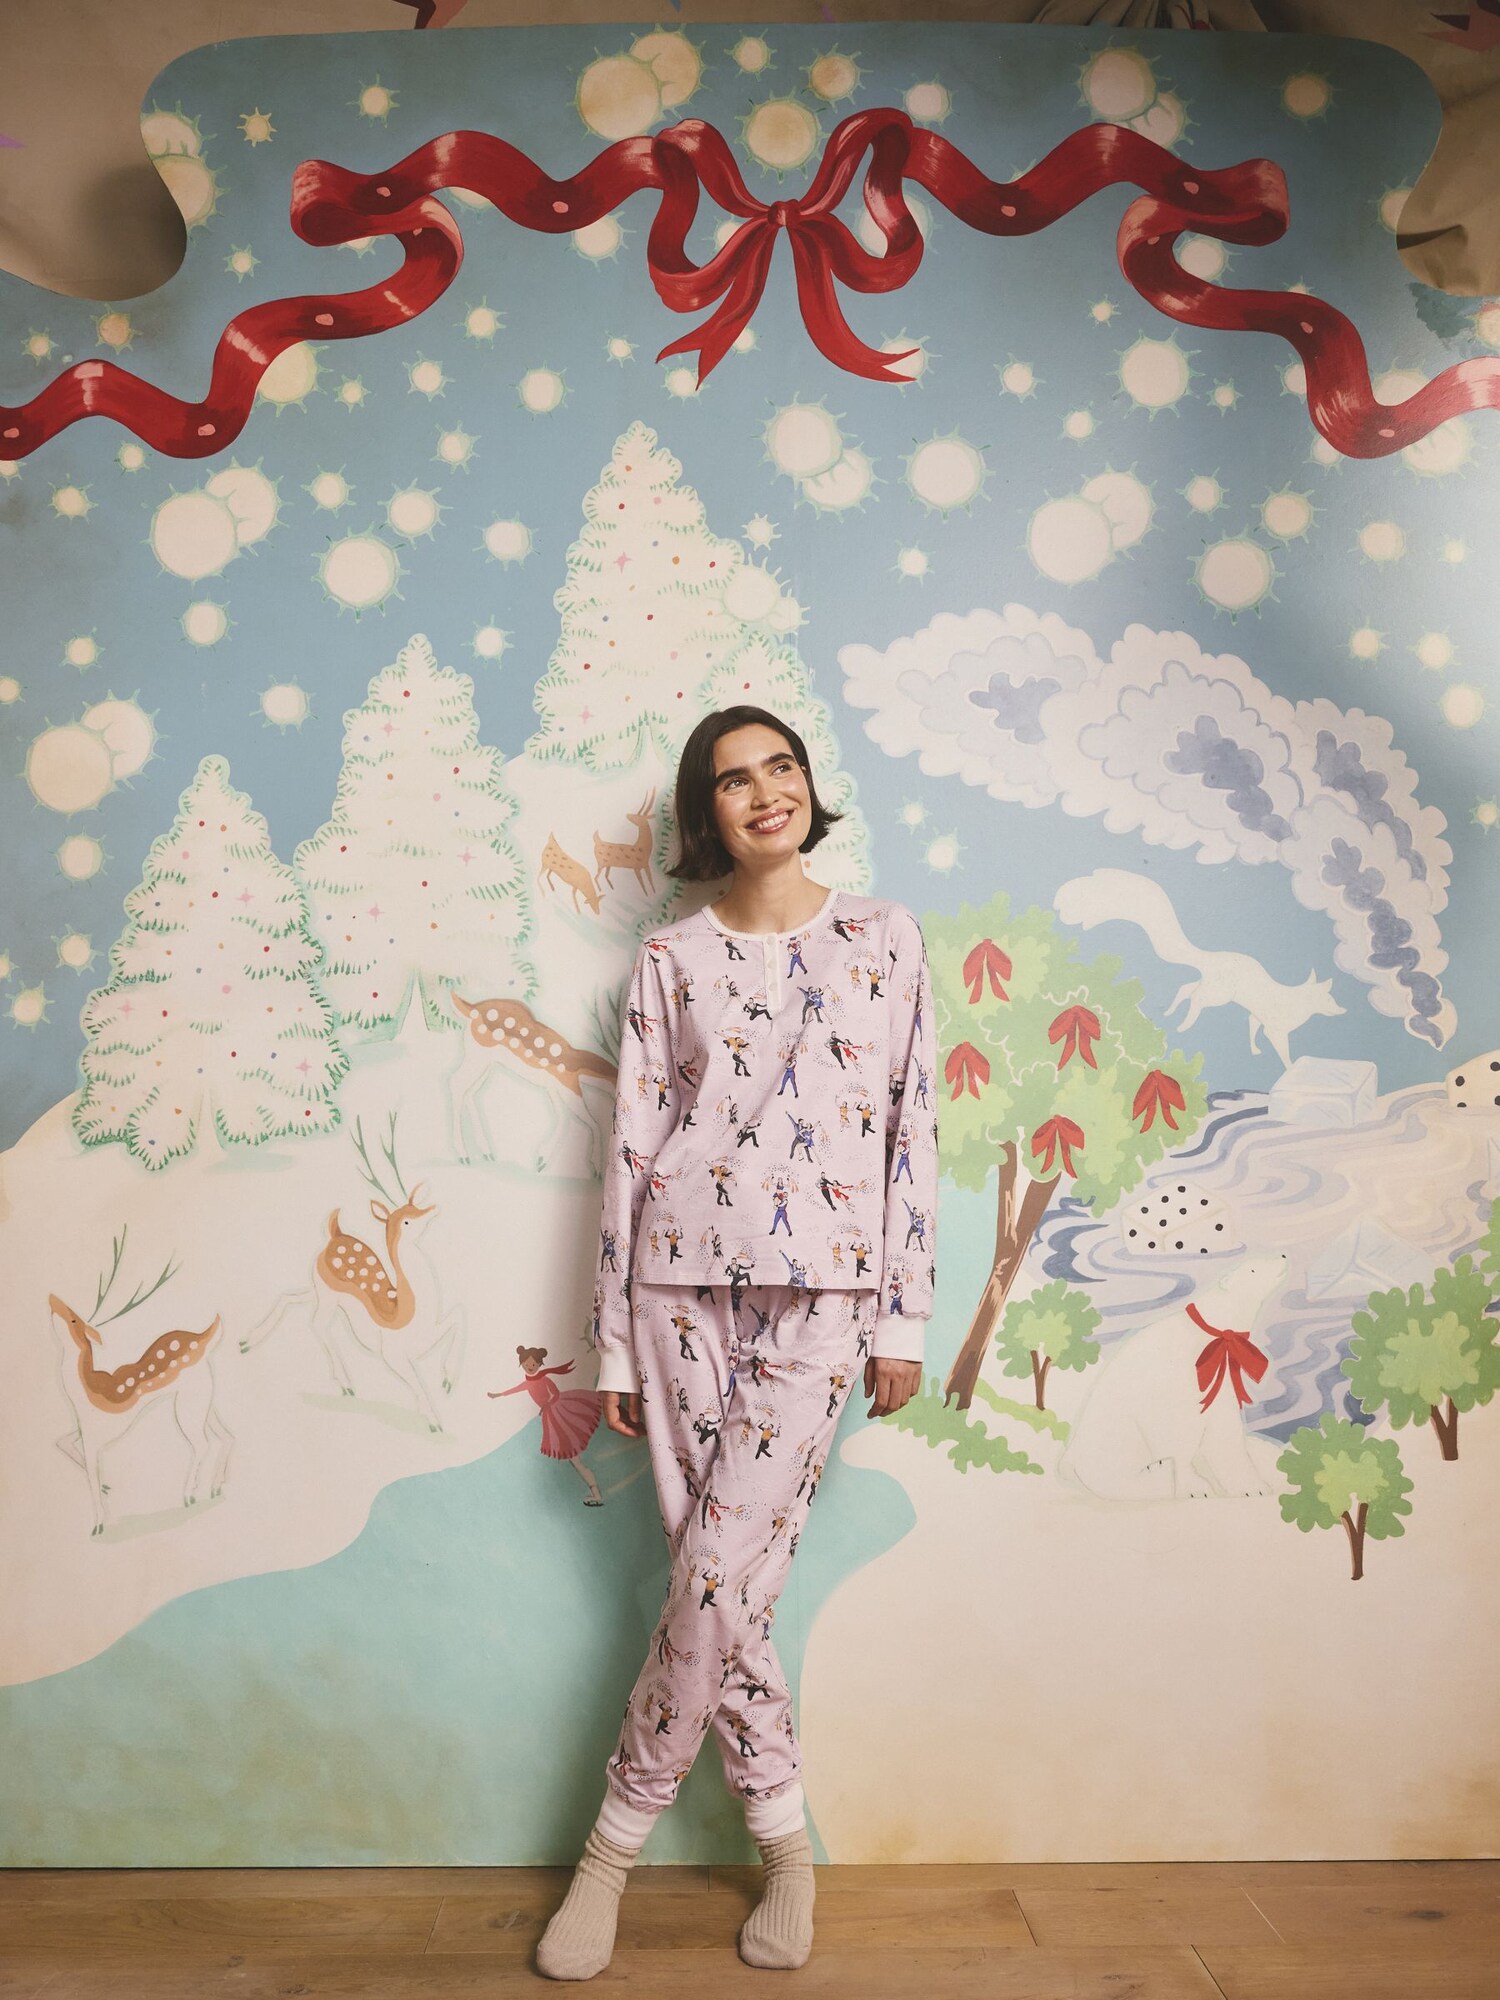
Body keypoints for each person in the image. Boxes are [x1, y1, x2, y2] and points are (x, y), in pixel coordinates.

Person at [536, 705, 939, 1980]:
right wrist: (613, 1346)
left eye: (782, 767)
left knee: (716, 1576)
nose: (765, 791)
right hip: (678, 1288)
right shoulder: (669, 958)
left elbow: (912, 1127)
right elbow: (632, 1150)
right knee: (725, 1589)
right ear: (703, 810)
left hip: (824, 1295)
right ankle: (787, 1850)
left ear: (808, 786)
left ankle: (609, 1846)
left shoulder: (886, 936)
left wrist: (904, 1313)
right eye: (733, 779)